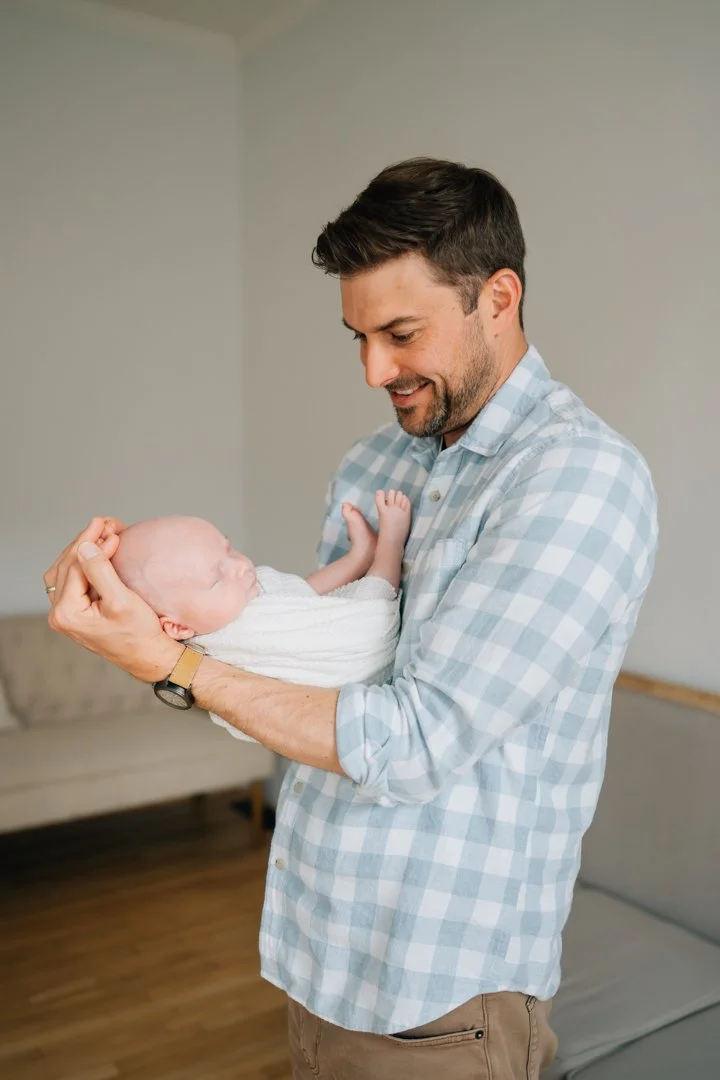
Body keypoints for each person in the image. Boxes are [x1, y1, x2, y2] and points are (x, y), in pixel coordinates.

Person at [44, 157, 658, 1079]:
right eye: (358, 338)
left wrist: (174, 669)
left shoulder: (576, 480)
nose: (375, 370)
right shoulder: (377, 463)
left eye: (401, 333)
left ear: (498, 296)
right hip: (318, 940)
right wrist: (157, 618)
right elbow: (304, 665)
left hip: (441, 988)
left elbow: (414, 742)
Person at [109, 499, 409, 742]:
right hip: (353, 667)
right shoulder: (228, 642)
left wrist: (356, 560)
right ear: (177, 627)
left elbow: (302, 595)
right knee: (373, 604)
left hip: (339, 657)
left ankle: (360, 556)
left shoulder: (232, 601)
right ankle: (390, 546)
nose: (239, 566)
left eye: (228, 549)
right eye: (216, 578)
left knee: (297, 592)